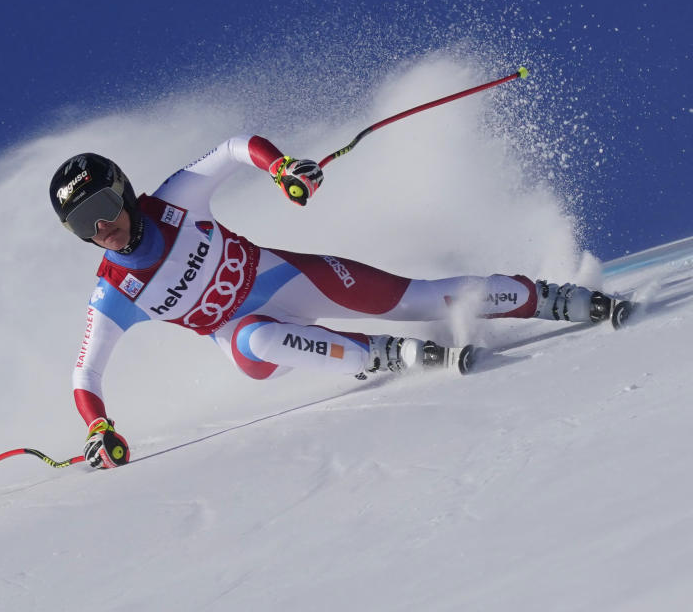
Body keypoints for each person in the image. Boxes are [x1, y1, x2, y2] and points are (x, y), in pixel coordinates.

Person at [49, 135, 625, 469]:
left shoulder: (175, 200)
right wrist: (99, 429)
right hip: (253, 338)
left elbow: (229, 149)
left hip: (292, 280)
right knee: (256, 339)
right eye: (82, 223)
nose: (102, 227)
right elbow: (86, 372)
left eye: (102, 206)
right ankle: (386, 356)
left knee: (421, 298)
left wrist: (279, 167)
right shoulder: (114, 290)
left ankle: (555, 299)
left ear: (123, 189)